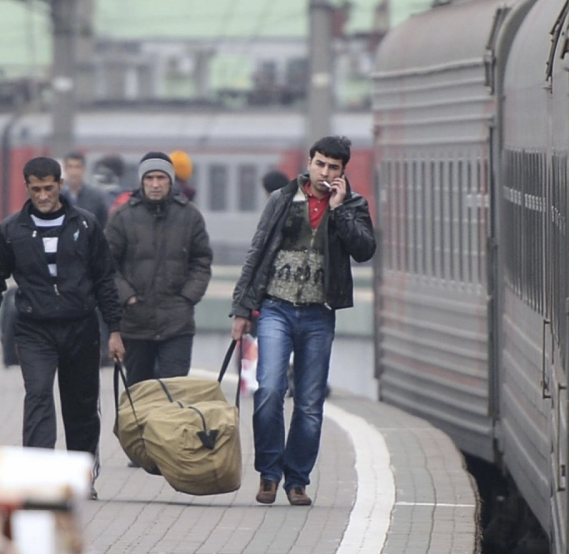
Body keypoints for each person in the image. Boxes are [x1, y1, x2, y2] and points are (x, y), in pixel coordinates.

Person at [230, 136, 375, 507]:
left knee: (310, 402)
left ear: (343, 172)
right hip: (276, 308)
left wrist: (340, 209)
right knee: (270, 390)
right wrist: (241, 309)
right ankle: (268, 474)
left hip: (318, 314)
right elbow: (257, 251)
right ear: (310, 162)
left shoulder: (353, 205)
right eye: (320, 164)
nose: (325, 172)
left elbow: (364, 250)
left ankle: (297, 480)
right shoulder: (281, 199)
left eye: (333, 168)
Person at [0, 157, 124, 498]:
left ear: (59, 184)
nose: (43, 195)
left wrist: (114, 329)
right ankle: (40, 476)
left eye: (49, 188)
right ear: (27, 188)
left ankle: (80, 474)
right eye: (36, 189)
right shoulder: (12, 230)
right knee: (39, 396)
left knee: (81, 405)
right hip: (34, 328)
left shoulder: (85, 226)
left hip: (81, 327)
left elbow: (105, 280)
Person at [105, 152, 212, 387]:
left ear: (171, 180)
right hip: (135, 324)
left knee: (173, 393)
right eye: (149, 178)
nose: (155, 184)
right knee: (140, 394)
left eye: (161, 178)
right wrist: (128, 298)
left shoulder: (189, 216)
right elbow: (106, 265)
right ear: (141, 181)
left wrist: (187, 298)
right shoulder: (122, 217)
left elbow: (202, 261)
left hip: (177, 323)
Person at [62, 152, 110, 231]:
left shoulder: (96, 197)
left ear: (84, 169)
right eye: (70, 167)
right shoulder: (58, 196)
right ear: (65, 169)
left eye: (77, 167)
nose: (74, 172)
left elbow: (103, 224)